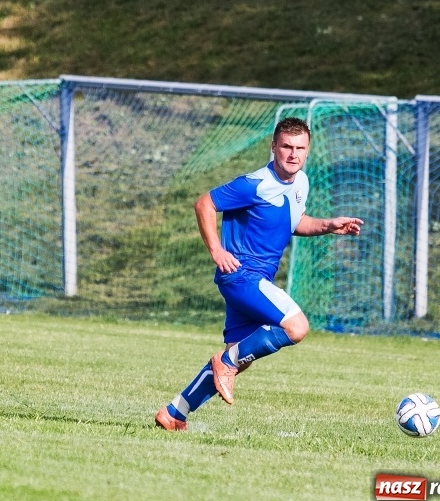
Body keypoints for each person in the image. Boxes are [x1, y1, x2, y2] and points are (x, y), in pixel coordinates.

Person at [155, 117, 363, 431]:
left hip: (254, 279)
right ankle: (224, 364)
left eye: (300, 148)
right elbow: (204, 204)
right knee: (296, 327)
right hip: (241, 276)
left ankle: (174, 413)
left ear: (307, 151)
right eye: (286, 147)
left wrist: (328, 226)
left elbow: (294, 222)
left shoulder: (301, 183)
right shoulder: (254, 183)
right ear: (274, 147)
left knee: (240, 357)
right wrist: (216, 250)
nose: (293, 154)